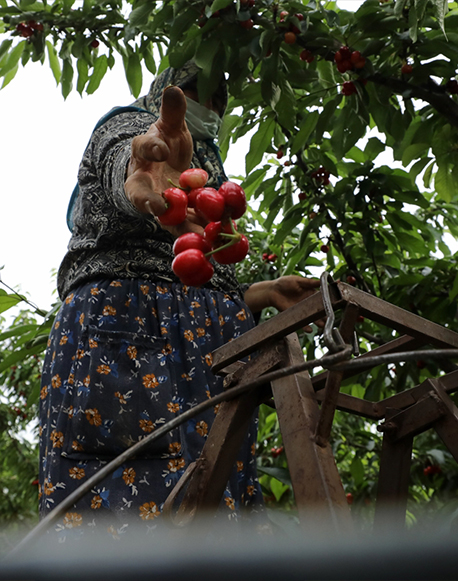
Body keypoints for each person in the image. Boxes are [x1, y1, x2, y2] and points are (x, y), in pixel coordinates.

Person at [38, 62, 319, 540]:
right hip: (126, 333)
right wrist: (136, 171)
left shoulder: (208, 169)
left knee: (215, 509)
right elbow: (125, 165)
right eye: (195, 92)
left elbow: (195, 269)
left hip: (207, 358)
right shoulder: (131, 129)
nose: (208, 106)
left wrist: (258, 295)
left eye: (218, 100)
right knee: (121, 519)